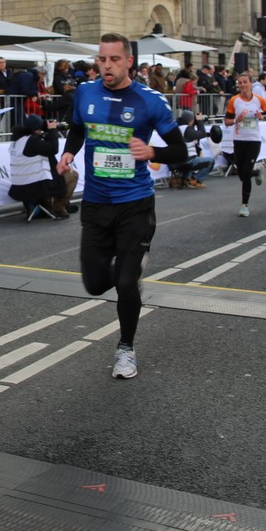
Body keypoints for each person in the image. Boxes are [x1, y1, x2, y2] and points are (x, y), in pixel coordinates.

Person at [58, 34, 186, 380]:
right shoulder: (85, 92)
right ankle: (129, 271)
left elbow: (180, 151)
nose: (107, 66)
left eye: (114, 59)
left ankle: (125, 348)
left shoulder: (150, 101)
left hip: (135, 204)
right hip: (96, 203)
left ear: (129, 62)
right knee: (95, 285)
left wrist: (153, 152)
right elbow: (77, 129)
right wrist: (68, 151)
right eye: (102, 59)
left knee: (126, 283)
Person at [7, 114, 76, 219]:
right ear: (37, 128)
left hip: (18, 187)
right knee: (73, 175)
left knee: (51, 176)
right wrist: (52, 130)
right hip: (34, 186)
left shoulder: (18, 141)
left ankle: (45, 206)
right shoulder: (32, 141)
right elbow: (53, 149)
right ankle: (59, 206)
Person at [223, 72, 266, 217]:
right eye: (240, 83)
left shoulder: (259, 100)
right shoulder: (234, 100)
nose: (243, 85)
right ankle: (256, 172)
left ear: (251, 83)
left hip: (253, 140)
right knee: (241, 173)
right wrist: (236, 120)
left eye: (245, 82)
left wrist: (262, 117)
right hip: (239, 140)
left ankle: (244, 205)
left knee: (245, 172)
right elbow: (227, 121)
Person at [170, 109, 214, 189]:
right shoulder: (186, 129)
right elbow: (202, 133)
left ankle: (183, 178)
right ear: (190, 120)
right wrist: (200, 121)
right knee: (211, 161)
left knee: (193, 157)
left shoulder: (176, 127)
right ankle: (196, 180)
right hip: (187, 160)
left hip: (174, 161)